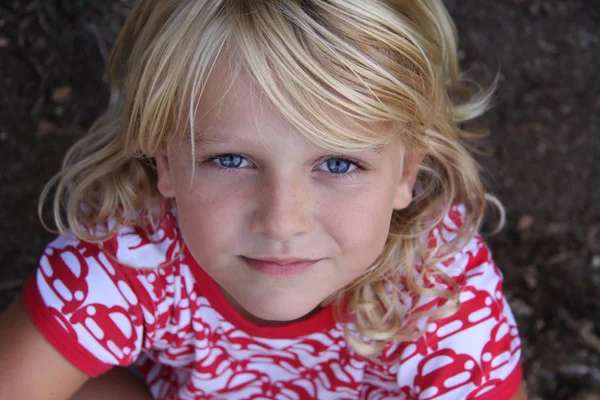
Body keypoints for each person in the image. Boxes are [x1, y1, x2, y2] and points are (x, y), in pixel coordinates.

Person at [0, 0, 528, 399]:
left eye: (339, 164)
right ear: (164, 160)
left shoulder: (442, 295)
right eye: (231, 160)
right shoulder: (132, 252)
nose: (281, 222)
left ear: (405, 173)